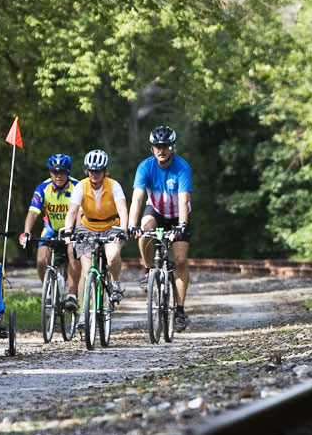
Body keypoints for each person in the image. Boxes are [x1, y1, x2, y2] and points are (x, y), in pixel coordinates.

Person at [127, 125, 192, 332]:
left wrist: (181, 226)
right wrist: (131, 225)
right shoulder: (145, 167)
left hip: (177, 215)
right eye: (157, 147)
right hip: (155, 209)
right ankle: (148, 271)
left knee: (180, 260)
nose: (161, 151)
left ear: (172, 147)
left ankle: (180, 311)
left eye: (164, 146)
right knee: (145, 230)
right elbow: (137, 198)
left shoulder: (182, 167)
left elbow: (183, 200)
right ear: (152, 148)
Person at [63, 149, 129, 303]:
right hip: (88, 227)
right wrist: (68, 231)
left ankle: (115, 282)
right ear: (87, 170)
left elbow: (122, 210)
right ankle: (82, 313)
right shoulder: (81, 186)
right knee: (86, 271)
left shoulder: (114, 185)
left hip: (111, 226)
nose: (94, 174)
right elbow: (72, 212)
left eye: (98, 170)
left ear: (105, 171)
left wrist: (123, 230)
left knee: (112, 257)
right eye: (91, 170)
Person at [18, 154, 81, 312]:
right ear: (50, 173)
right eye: (54, 172)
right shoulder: (42, 188)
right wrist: (27, 232)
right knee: (41, 260)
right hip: (51, 229)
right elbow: (33, 213)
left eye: (62, 172)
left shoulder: (77, 187)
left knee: (72, 251)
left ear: (68, 172)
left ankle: (72, 295)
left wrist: (76, 232)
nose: (58, 176)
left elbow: (80, 214)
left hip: (71, 229)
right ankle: (48, 291)